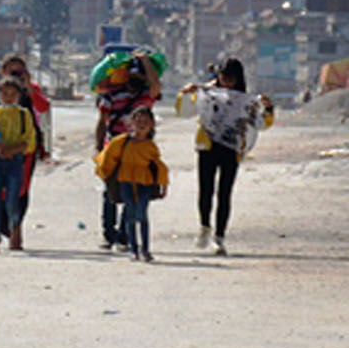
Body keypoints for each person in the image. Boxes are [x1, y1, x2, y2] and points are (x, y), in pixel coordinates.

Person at [175, 57, 274, 256]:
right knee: (206, 190)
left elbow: (261, 124)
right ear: (218, 76)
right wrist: (186, 94)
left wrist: (268, 108)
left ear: (239, 79)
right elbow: (184, 111)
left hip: (231, 149)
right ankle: (204, 226)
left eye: (232, 78)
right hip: (207, 146)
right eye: (224, 77)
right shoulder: (208, 94)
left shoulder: (245, 101)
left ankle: (219, 237)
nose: (227, 81)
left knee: (225, 194)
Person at [0, 54, 53, 238]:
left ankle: (16, 230)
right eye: (11, 71)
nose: (15, 75)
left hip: (24, 149)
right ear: (2, 72)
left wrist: (28, 88)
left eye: (19, 71)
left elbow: (44, 108)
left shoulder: (30, 91)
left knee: (20, 188)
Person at [93, 52, 160, 250]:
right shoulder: (112, 95)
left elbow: (155, 86)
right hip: (113, 147)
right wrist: (98, 149)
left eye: (139, 78)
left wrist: (146, 62)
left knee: (132, 190)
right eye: (131, 77)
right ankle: (109, 233)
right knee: (111, 191)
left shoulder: (145, 97)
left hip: (138, 151)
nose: (134, 82)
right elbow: (102, 123)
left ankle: (123, 236)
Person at [95, 106, 168, 262]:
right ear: (131, 123)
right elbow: (106, 159)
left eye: (145, 121)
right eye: (138, 120)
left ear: (152, 125)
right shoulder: (121, 142)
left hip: (145, 183)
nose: (141, 124)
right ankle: (133, 250)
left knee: (142, 214)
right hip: (126, 181)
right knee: (130, 214)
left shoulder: (150, 146)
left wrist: (164, 186)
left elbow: (159, 167)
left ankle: (145, 249)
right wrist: (104, 175)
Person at [0, 76, 38, 253]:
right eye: (4, 94)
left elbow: (29, 140)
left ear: (19, 95)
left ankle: (14, 232)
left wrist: (13, 149)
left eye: (12, 94)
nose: (8, 97)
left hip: (15, 161)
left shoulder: (23, 115)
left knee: (13, 201)